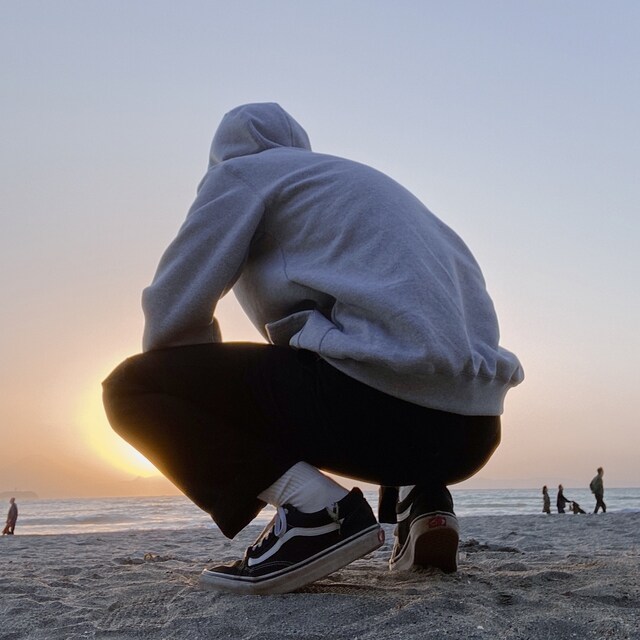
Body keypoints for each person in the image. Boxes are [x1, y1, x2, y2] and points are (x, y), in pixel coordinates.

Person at [102, 102, 524, 594]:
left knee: (131, 388)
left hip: (375, 409)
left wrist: (196, 398)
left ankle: (315, 514)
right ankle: (424, 505)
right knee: (391, 350)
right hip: (472, 433)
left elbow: (173, 305)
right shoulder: (359, 186)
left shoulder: (241, 174)